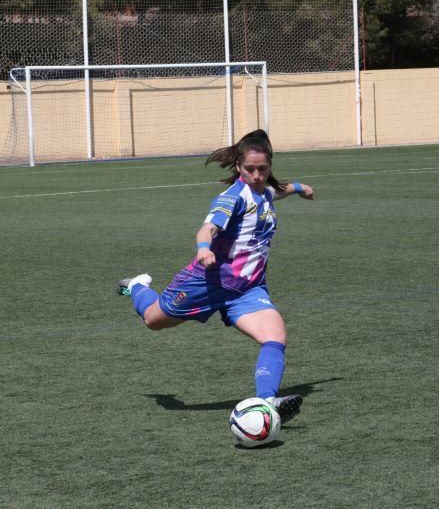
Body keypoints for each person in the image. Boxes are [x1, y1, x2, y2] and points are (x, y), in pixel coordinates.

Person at [117, 129, 314, 422]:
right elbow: (207, 228)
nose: (257, 175)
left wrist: (299, 187)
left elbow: (275, 191)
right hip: (206, 282)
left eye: (263, 169)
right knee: (154, 321)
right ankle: (136, 286)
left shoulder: (264, 191)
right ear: (238, 167)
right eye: (250, 170)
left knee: (275, 336)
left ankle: (267, 402)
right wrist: (203, 248)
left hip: (247, 290)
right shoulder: (232, 197)